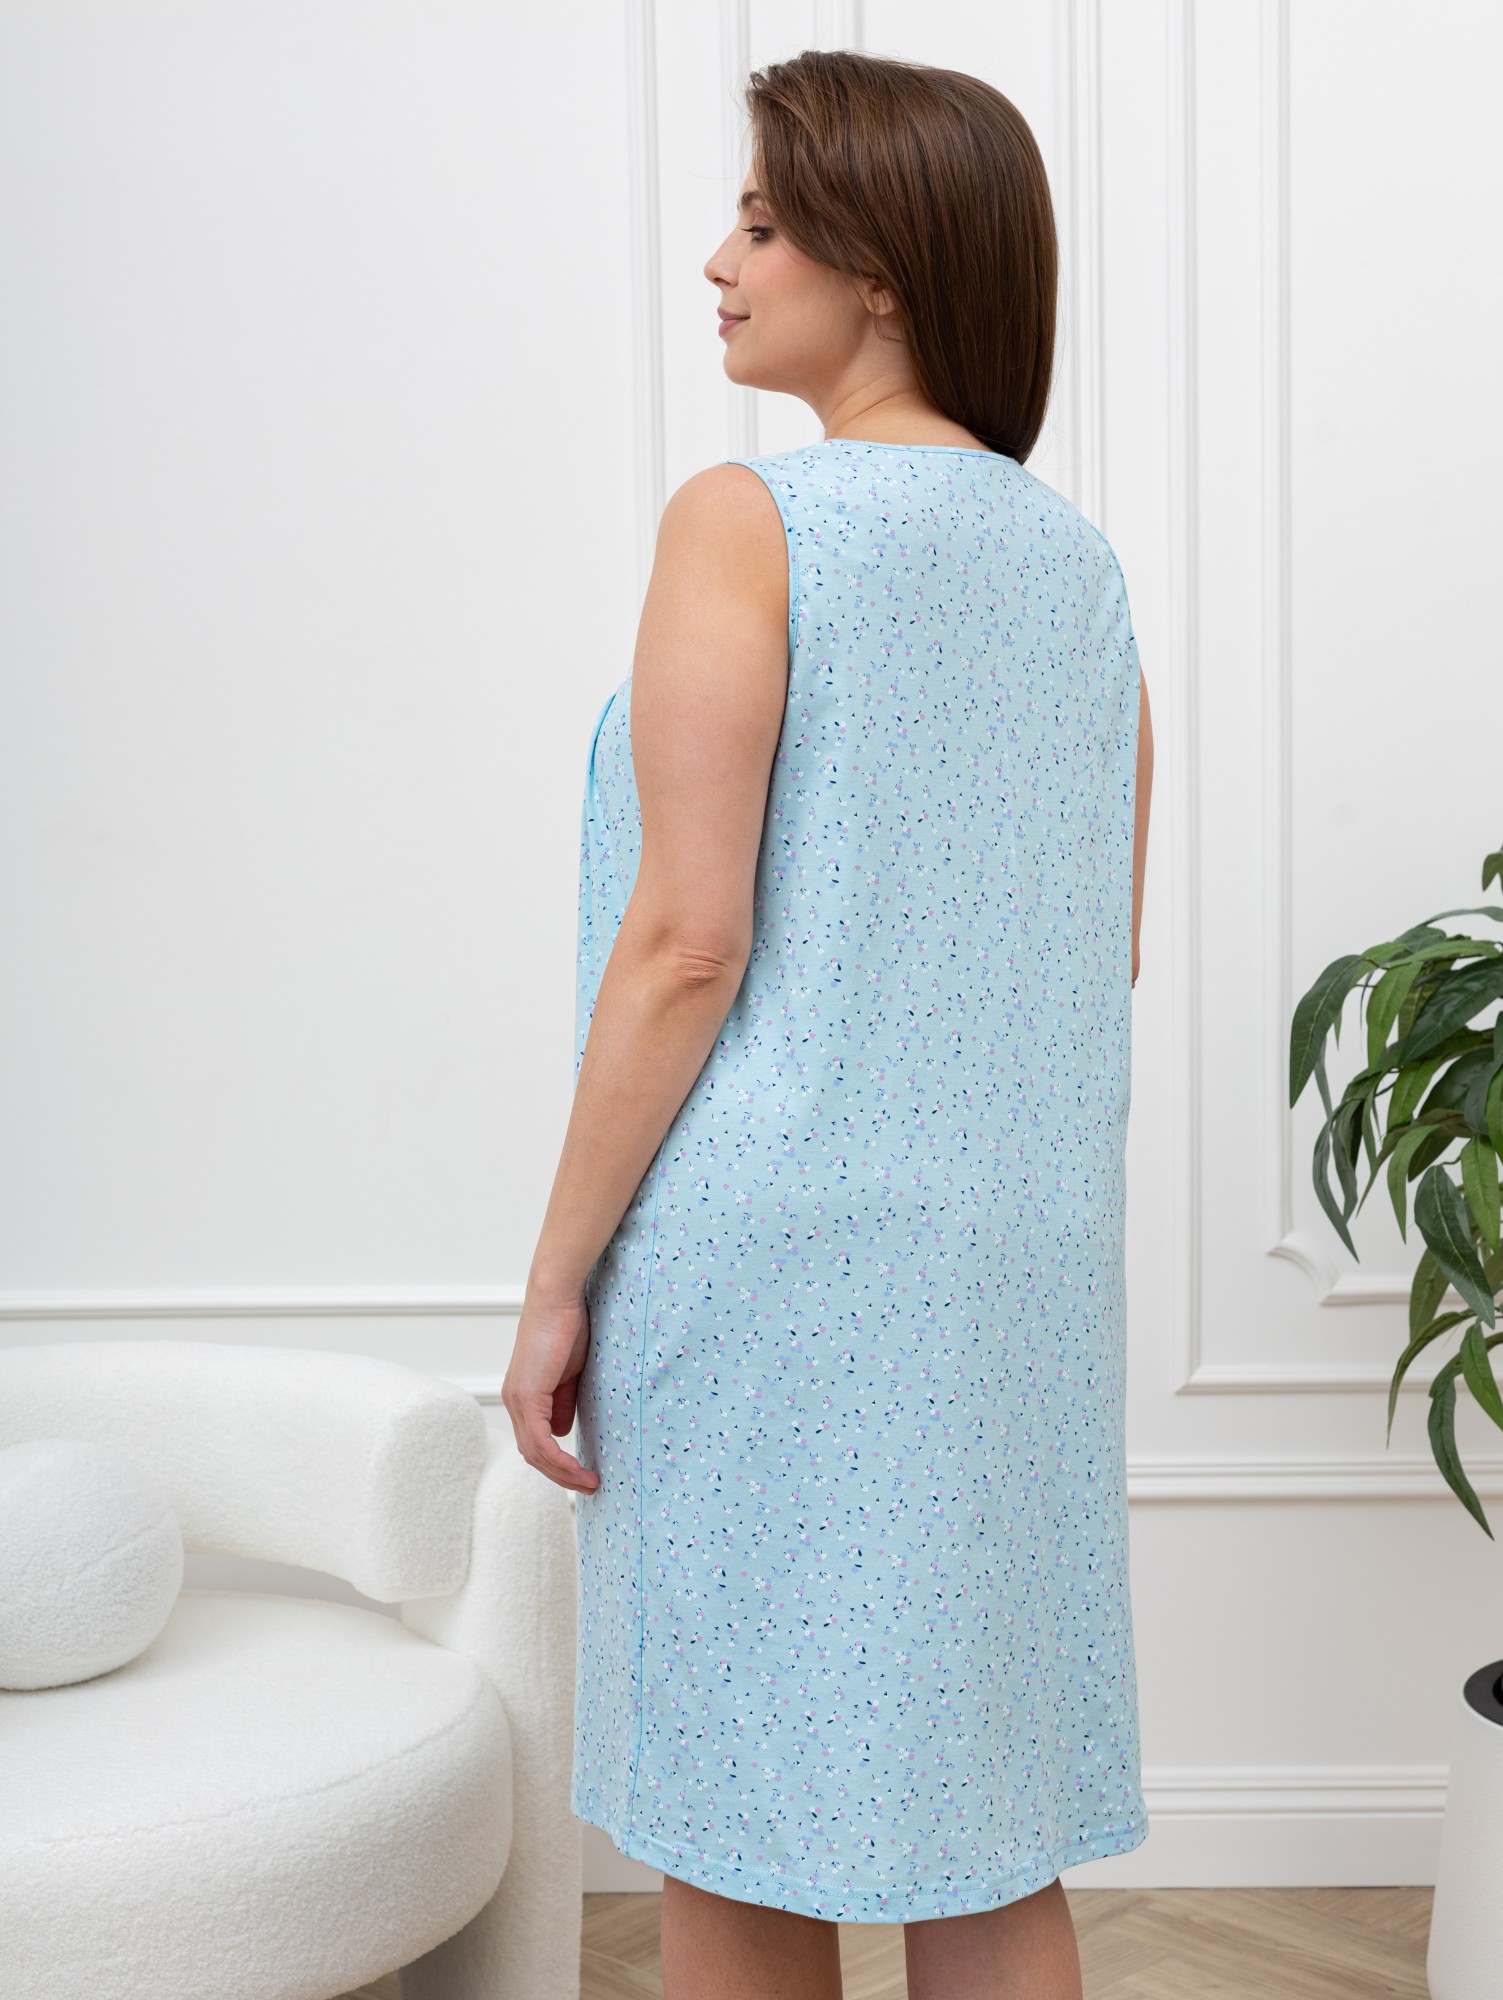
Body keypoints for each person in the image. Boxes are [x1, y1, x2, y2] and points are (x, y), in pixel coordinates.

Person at [503, 47, 1155, 2000]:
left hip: (773, 1272)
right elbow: (1092, 956)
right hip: (1012, 1275)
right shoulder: (1080, 572)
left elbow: (682, 943)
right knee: (983, 1830)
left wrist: (555, 1278)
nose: (720, 262)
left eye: (763, 223)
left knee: (738, 1824)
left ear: (881, 268)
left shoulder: (749, 520)